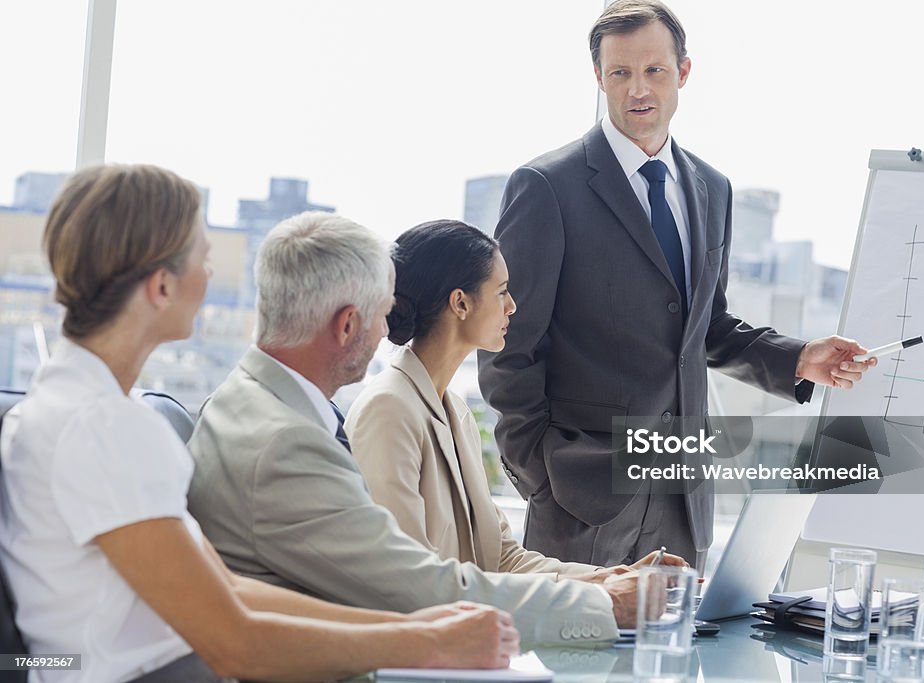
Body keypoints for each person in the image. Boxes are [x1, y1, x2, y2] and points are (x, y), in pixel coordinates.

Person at [0, 166, 518, 683]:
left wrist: (418, 629)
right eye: (203, 259)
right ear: (161, 285)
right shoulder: (105, 429)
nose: (211, 276)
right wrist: (424, 642)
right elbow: (234, 643)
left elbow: (224, 589)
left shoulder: (78, 403)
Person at [477, 0, 876, 573]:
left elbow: (703, 327)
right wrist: (543, 476)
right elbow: (506, 345)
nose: (638, 88)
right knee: (572, 658)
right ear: (599, 77)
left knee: (673, 658)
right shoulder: (547, 187)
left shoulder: (711, 188)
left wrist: (799, 358)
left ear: (683, 72)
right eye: (620, 72)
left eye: (654, 70)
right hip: (584, 496)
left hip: (682, 494)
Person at [186, 211, 640, 647]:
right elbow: (413, 588)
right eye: (383, 312)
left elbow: (489, 557)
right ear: (347, 325)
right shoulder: (293, 440)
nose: (390, 328)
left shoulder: (254, 406)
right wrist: (601, 604)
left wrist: (605, 581)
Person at [346, 220, 685, 578]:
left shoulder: (456, 413)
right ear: (460, 303)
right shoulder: (387, 411)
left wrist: (614, 578)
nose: (512, 306)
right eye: (502, 292)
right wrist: (601, 597)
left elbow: (503, 558)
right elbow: (409, 578)